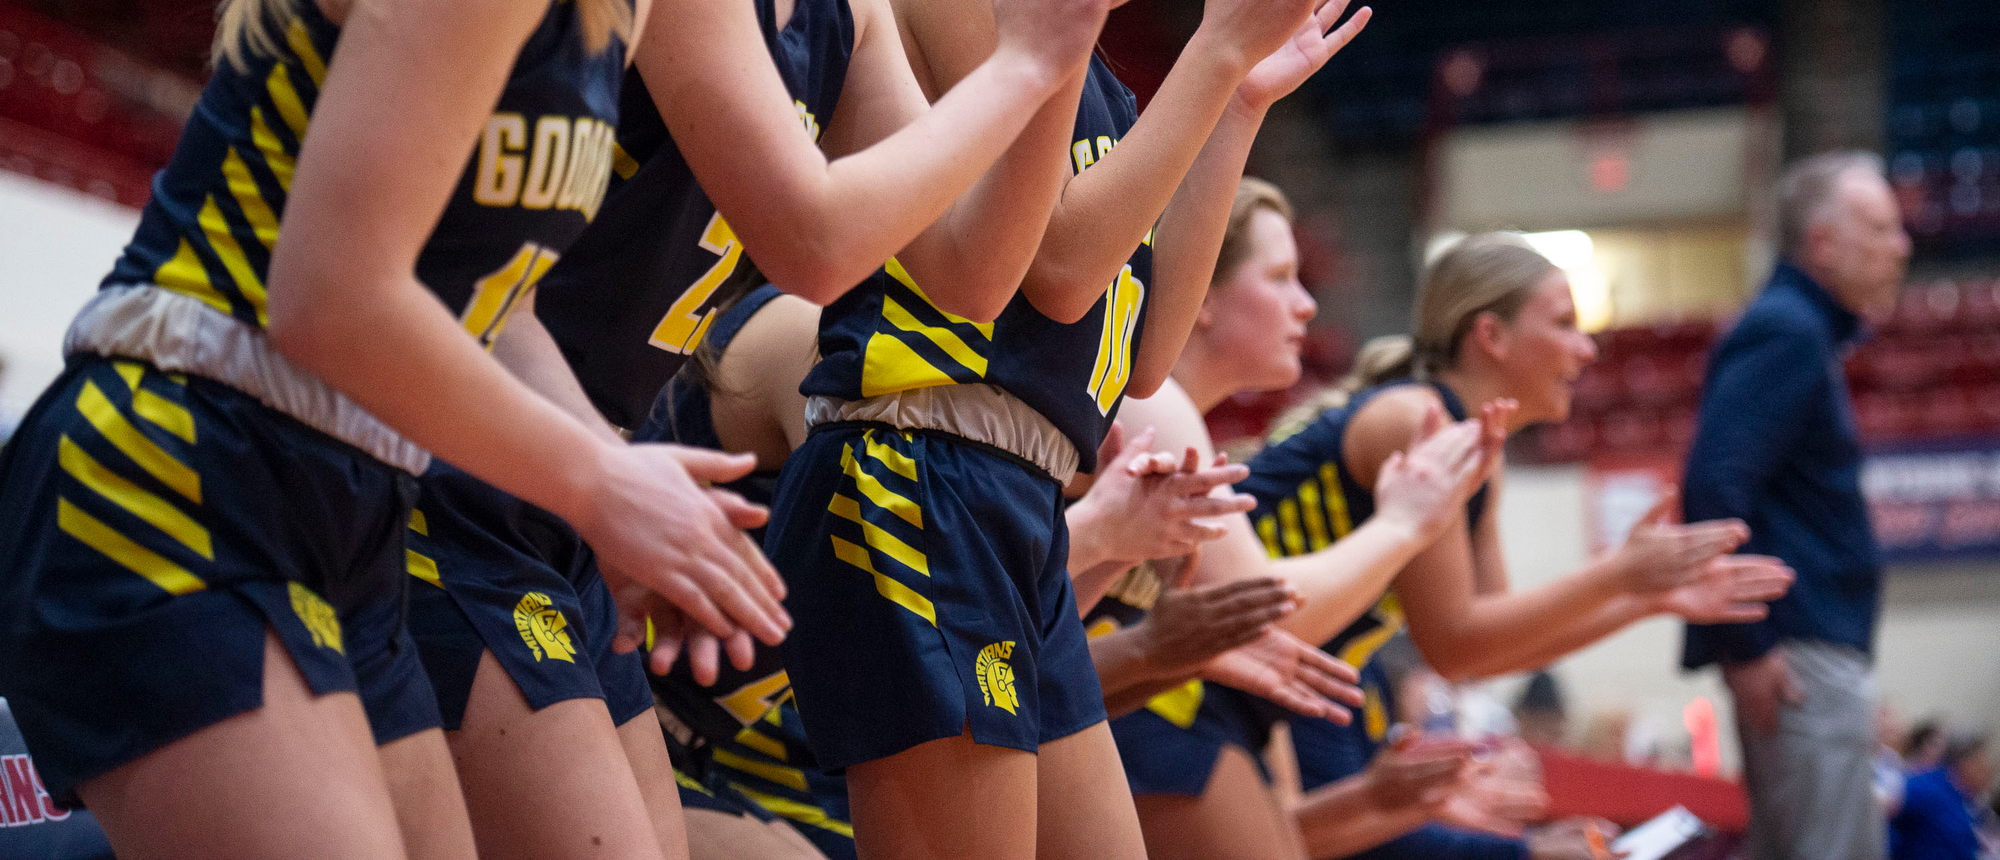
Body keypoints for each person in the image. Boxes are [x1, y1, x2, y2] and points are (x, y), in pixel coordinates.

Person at [0, 0, 782, 854]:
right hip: (178, 461)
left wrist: (630, 487)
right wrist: (597, 479)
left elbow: (488, 300)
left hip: (348, 493)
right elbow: (329, 296)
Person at [404, 0, 1187, 860]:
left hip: (575, 477)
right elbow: (812, 243)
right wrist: (1025, 59)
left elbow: (969, 275)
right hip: (466, 454)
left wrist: (1063, 33)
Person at [767, 0, 1375, 860]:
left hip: (1020, 498)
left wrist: (1236, 94)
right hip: (918, 468)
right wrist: (1209, 47)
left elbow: (1144, 356)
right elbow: (1051, 268)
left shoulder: (1095, 67)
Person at [1126, 227, 1793, 860]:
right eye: (1562, 322)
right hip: (1189, 677)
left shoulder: (1475, 448)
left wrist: (1646, 598)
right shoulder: (1420, 421)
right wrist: (1621, 577)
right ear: (1491, 335)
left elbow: (1486, 648)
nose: (1586, 347)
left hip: (1260, 684)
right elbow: (1454, 639)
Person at [641, 266, 1329, 859]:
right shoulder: (848, 357)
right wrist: (1405, 523)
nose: (1306, 303)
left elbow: (996, 658)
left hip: (737, 747)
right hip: (687, 735)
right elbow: (934, 615)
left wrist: (1139, 624)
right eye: (1276, 276)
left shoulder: (1039, 426)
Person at [1681, 150, 1913, 860]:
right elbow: (1713, 484)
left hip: (1799, 646)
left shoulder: (1798, 329)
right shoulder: (1788, 329)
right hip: (1796, 650)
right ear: (1823, 243)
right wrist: (1747, 644)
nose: (1901, 245)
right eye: (1880, 227)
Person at [1891, 735, 1995, 860]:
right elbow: (1883, 805)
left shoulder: (1967, 798)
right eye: (1985, 767)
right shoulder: (1929, 788)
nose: (1989, 775)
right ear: (1969, 764)